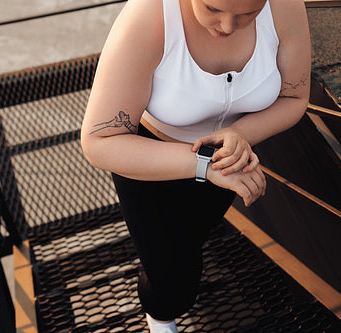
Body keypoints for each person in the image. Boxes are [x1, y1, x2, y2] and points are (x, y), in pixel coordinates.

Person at [81, 0, 310, 331]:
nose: (229, 26)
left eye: (249, 14)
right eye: (212, 8)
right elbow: (98, 141)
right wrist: (205, 165)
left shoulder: (287, 7)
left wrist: (239, 134)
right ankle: (159, 316)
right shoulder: (148, 17)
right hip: (151, 167)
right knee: (170, 277)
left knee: (192, 243)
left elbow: (294, 98)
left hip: (226, 164)